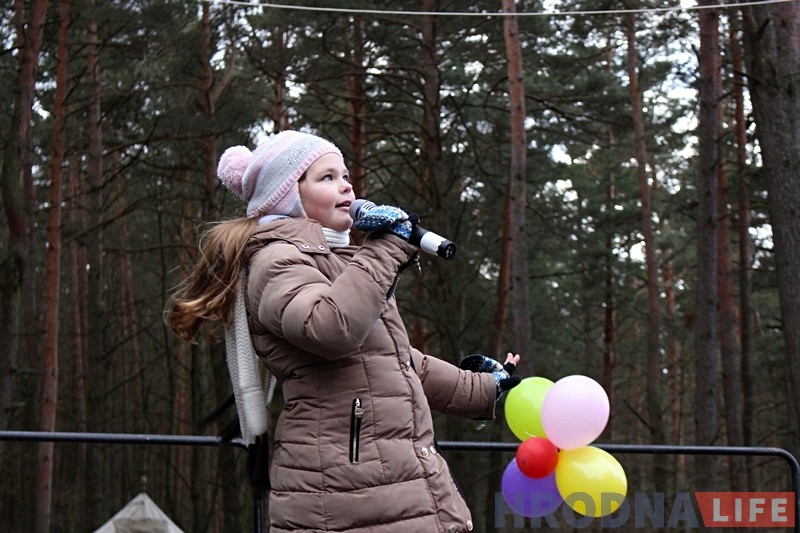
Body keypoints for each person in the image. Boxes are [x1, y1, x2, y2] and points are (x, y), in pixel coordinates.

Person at [165, 130, 521, 533]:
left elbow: (394, 362)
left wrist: (484, 386)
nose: (347, 185)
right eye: (327, 177)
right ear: (287, 196)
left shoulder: (343, 262)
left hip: (390, 481)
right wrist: (385, 247)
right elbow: (329, 328)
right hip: (341, 490)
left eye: (346, 174)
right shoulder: (276, 259)